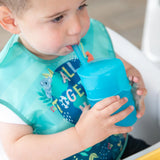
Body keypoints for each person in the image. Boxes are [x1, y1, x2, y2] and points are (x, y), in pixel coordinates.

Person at [0, 0, 149, 159]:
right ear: (11, 20)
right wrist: (79, 137)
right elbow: (18, 151)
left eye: (81, 6)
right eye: (57, 18)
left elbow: (123, 69)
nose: (77, 27)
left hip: (120, 146)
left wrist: (132, 82)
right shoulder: (11, 82)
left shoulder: (87, 39)